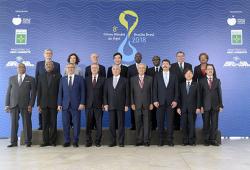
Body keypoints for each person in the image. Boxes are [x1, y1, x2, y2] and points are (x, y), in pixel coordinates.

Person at [5, 63, 36, 147]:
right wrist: (7, 105)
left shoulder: (31, 79)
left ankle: (28, 142)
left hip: (26, 105)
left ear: (25, 68)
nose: (20, 68)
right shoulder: (11, 78)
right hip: (13, 104)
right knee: (14, 124)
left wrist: (31, 105)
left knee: (27, 123)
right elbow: (8, 92)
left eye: (22, 67)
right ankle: (13, 142)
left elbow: (33, 94)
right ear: (16, 69)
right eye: (19, 67)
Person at [57, 63, 85, 147]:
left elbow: (83, 92)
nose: (70, 69)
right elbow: (60, 93)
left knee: (76, 124)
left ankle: (75, 141)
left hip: (76, 105)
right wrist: (59, 104)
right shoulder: (62, 79)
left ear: (75, 68)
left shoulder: (80, 79)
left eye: (72, 67)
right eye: (68, 67)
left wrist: (82, 103)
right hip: (65, 105)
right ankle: (67, 141)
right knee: (65, 124)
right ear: (66, 69)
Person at [153, 59, 178, 146]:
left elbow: (176, 90)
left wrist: (175, 100)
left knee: (170, 123)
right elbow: (154, 89)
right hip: (159, 103)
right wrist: (155, 100)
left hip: (171, 103)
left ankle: (170, 140)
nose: (165, 65)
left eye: (167, 64)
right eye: (163, 64)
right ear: (161, 65)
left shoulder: (174, 76)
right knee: (160, 122)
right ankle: (160, 140)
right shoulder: (157, 75)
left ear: (170, 66)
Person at [37, 61, 62, 147]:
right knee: (44, 124)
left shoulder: (58, 76)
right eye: (47, 65)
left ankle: (53, 141)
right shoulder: (40, 77)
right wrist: (38, 104)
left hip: (54, 104)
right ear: (44, 67)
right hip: (43, 104)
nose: (48, 66)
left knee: (53, 123)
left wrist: (59, 103)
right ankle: (45, 141)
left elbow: (60, 91)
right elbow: (39, 91)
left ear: (53, 66)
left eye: (50, 65)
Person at [104, 65, 129, 147]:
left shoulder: (125, 80)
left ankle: (121, 142)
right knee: (111, 124)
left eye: (117, 69)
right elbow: (105, 94)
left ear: (120, 70)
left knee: (121, 124)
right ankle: (112, 141)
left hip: (121, 106)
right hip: (110, 105)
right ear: (112, 71)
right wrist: (106, 104)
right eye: (114, 69)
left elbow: (127, 94)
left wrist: (126, 105)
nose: (115, 70)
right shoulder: (108, 80)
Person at [35, 49, 60, 130]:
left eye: (50, 53)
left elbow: (58, 80)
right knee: (42, 115)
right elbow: (37, 77)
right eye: (47, 53)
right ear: (44, 54)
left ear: (52, 54)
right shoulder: (39, 64)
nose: (48, 54)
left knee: (53, 120)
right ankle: (41, 126)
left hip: (53, 97)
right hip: (42, 94)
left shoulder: (57, 64)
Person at [199, 64, 223, 146]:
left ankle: (213, 139)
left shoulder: (217, 81)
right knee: (206, 124)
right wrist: (200, 106)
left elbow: (220, 93)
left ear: (213, 71)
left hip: (215, 106)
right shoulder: (201, 81)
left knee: (214, 124)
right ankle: (206, 140)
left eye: (211, 69)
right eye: (208, 69)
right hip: (205, 106)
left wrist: (221, 105)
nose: (210, 70)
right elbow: (200, 95)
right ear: (205, 71)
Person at [130, 63, 153, 146]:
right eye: (140, 68)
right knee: (138, 123)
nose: (142, 69)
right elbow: (131, 92)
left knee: (147, 123)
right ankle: (139, 140)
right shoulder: (132, 79)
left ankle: (146, 141)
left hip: (147, 104)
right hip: (136, 104)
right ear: (137, 69)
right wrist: (132, 103)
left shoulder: (150, 79)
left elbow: (152, 92)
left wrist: (151, 103)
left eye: (143, 68)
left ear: (145, 69)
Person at [177, 69, 200, 146]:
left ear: (192, 75)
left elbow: (198, 97)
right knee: (184, 125)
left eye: (190, 73)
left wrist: (198, 107)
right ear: (184, 75)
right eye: (187, 73)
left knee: (191, 125)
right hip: (183, 109)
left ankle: (192, 141)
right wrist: (178, 107)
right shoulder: (181, 85)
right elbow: (179, 97)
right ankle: (185, 141)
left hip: (193, 109)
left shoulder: (196, 84)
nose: (188, 75)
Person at [170, 51, 192, 130]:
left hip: (186, 90)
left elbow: (190, 77)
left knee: (185, 110)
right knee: (176, 111)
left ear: (184, 57)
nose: (180, 57)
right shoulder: (172, 66)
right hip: (175, 91)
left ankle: (185, 130)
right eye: (178, 56)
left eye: (182, 56)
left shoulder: (189, 65)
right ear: (176, 57)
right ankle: (176, 130)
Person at [85, 63, 105, 147]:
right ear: (90, 69)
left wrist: (104, 103)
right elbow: (84, 92)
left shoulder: (103, 79)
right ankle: (88, 141)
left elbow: (105, 93)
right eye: (92, 68)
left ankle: (98, 141)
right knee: (88, 124)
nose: (94, 69)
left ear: (98, 69)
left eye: (95, 68)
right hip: (88, 105)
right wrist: (83, 103)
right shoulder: (86, 79)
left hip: (99, 105)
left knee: (98, 124)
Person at [128, 52, 148, 130]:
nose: (138, 57)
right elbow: (128, 81)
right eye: (136, 56)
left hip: (144, 93)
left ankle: (143, 126)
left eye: (139, 56)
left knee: (144, 113)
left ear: (141, 58)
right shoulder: (130, 68)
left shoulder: (145, 66)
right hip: (134, 93)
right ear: (134, 58)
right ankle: (134, 125)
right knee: (133, 111)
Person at [147, 56, 162, 130]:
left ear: (160, 61)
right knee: (152, 112)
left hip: (163, 95)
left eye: (157, 60)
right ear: (152, 61)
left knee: (161, 113)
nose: (155, 61)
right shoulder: (149, 70)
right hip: (152, 94)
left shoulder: (165, 69)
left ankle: (160, 127)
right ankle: (153, 127)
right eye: (154, 60)